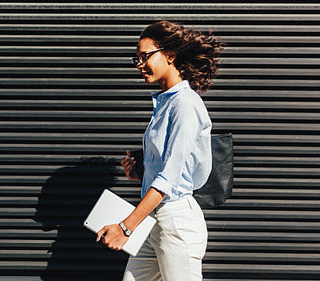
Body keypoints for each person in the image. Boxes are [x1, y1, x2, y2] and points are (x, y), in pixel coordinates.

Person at [96, 20, 225, 281]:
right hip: (153, 218)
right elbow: (167, 171)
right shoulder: (165, 104)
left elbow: (171, 179)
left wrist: (125, 227)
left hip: (176, 221)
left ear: (170, 55)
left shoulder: (185, 105)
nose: (140, 65)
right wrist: (139, 175)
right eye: (136, 59)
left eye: (145, 56)